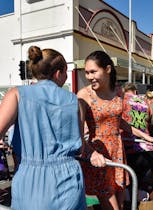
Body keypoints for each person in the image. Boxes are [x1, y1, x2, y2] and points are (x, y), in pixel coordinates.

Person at [0, 46, 106, 210]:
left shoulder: (16, 94)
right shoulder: (74, 101)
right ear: (58, 73)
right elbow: (79, 148)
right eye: (65, 72)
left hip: (30, 180)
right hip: (68, 180)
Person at [77, 51, 153, 210]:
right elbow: (77, 135)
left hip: (118, 151)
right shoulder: (83, 95)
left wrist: (145, 137)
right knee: (112, 206)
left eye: (93, 71)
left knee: (120, 201)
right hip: (98, 153)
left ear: (107, 69)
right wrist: (91, 153)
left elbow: (121, 123)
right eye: (87, 72)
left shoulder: (119, 91)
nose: (89, 76)